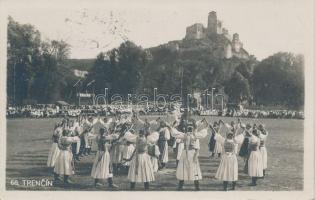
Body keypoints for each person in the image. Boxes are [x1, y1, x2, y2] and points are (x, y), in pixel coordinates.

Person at [169, 118, 208, 191]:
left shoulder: (186, 135)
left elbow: (175, 133)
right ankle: (193, 186)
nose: (190, 130)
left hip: (190, 153)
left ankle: (188, 186)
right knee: (189, 168)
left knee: (188, 168)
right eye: (189, 129)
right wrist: (206, 127)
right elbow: (203, 133)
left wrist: (171, 127)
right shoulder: (192, 135)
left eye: (190, 129)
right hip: (190, 153)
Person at [210, 124, 245, 191]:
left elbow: (242, 135)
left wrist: (241, 128)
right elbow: (216, 134)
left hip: (231, 158)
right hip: (227, 158)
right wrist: (212, 128)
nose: (230, 135)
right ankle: (226, 187)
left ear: (232, 135)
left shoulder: (234, 140)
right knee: (227, 171)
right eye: (229, 134)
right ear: (227, 135)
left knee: (232, 171)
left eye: (231, 134)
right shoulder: (226, 140)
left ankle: (232, 186)